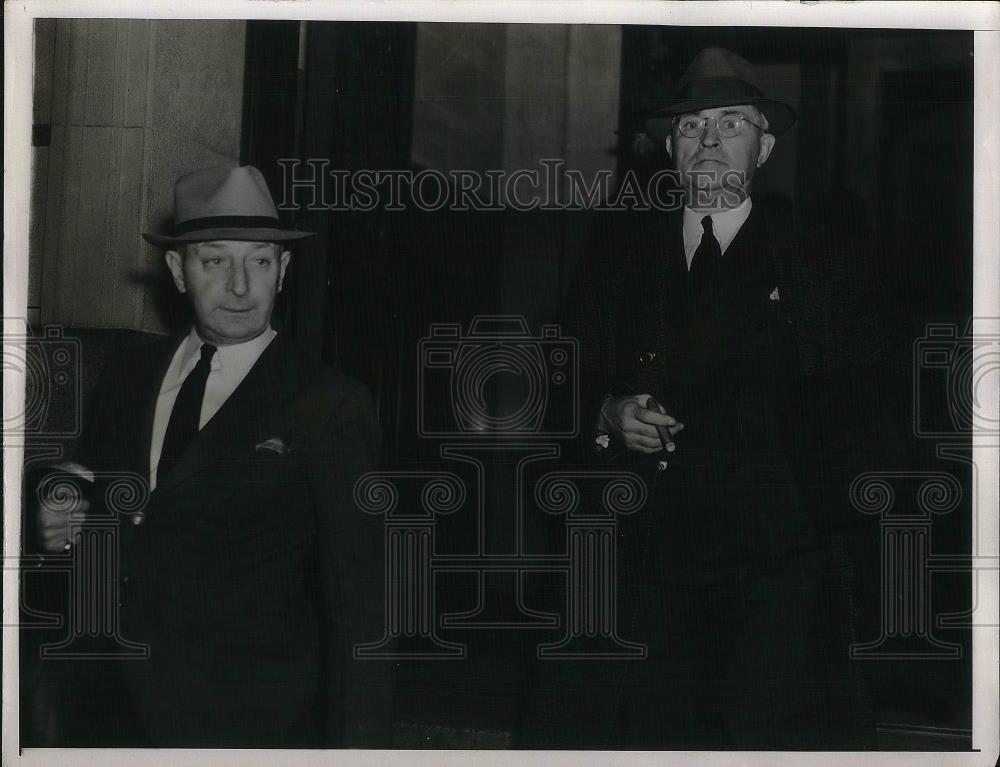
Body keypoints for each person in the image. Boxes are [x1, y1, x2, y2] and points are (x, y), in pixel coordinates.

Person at [519, 47, 887, 749]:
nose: (710, 143)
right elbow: (560, 377)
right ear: (669, 149)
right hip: (646, 571)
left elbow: (856, 419)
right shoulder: (619, 255)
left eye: (731, 125)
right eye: (691, 128)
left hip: (772, 582)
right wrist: (605, 414)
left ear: (764, 147)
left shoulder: (815, 261)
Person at [36, 165, 393, 747]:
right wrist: (52, 512)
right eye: (214, 261)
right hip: (108, 716)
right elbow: (99, 501)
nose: (240, 287)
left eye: (258, 261)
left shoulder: (329, 403)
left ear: (284, 269)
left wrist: (358, 753)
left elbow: (362, 605)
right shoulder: (128, 375)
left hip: (249, 726)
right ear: (177, 272)